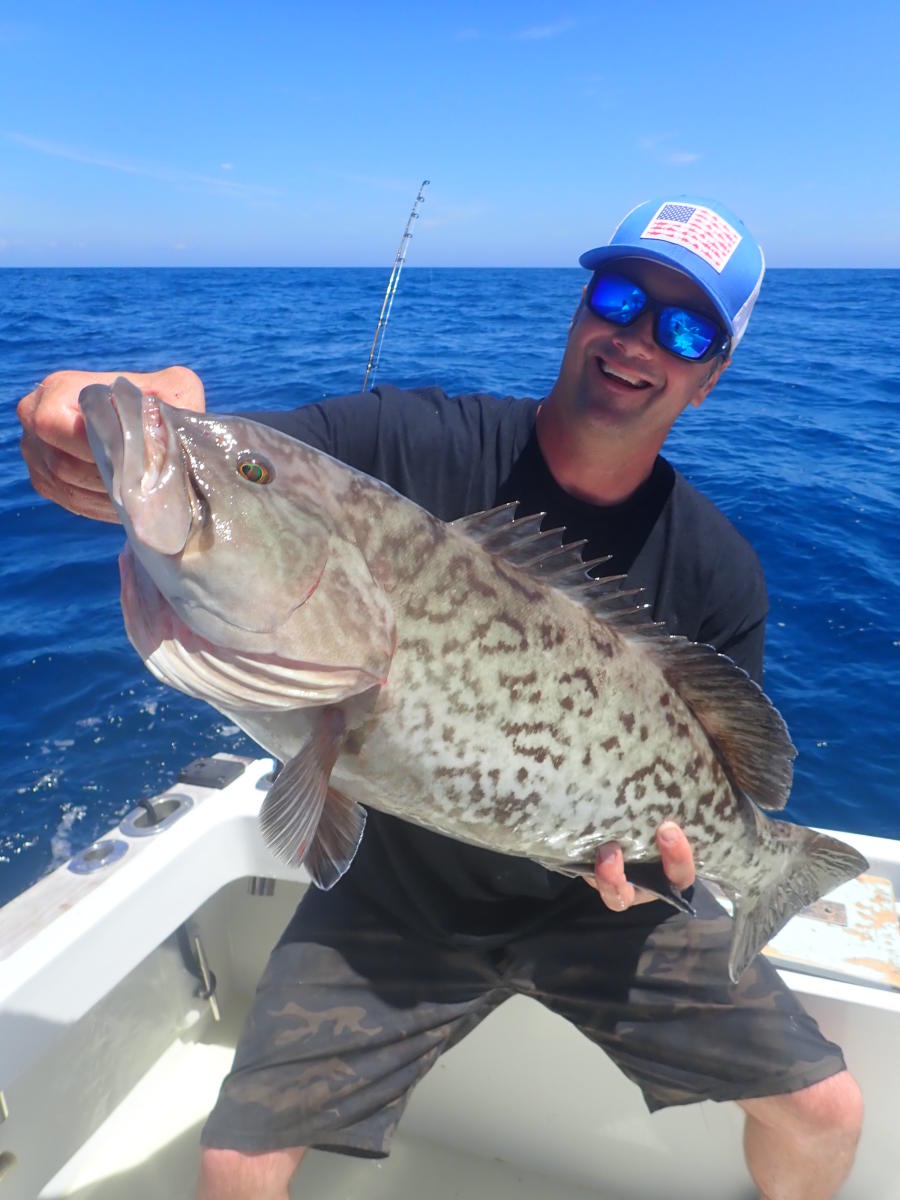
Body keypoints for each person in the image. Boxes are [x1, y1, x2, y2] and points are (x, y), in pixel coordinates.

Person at [18, 195, 863, 1200]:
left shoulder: (719, 571)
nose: (638, 338)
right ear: (581, 306)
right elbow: (216, 443)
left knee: (828, 1112)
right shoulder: (414, 439)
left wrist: (661, 871)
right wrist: (136, 402)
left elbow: (727, 780)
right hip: (401, 888)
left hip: (600, 902)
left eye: (684, 329)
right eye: (621, 296)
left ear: (711, 376)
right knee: (236, 1160)